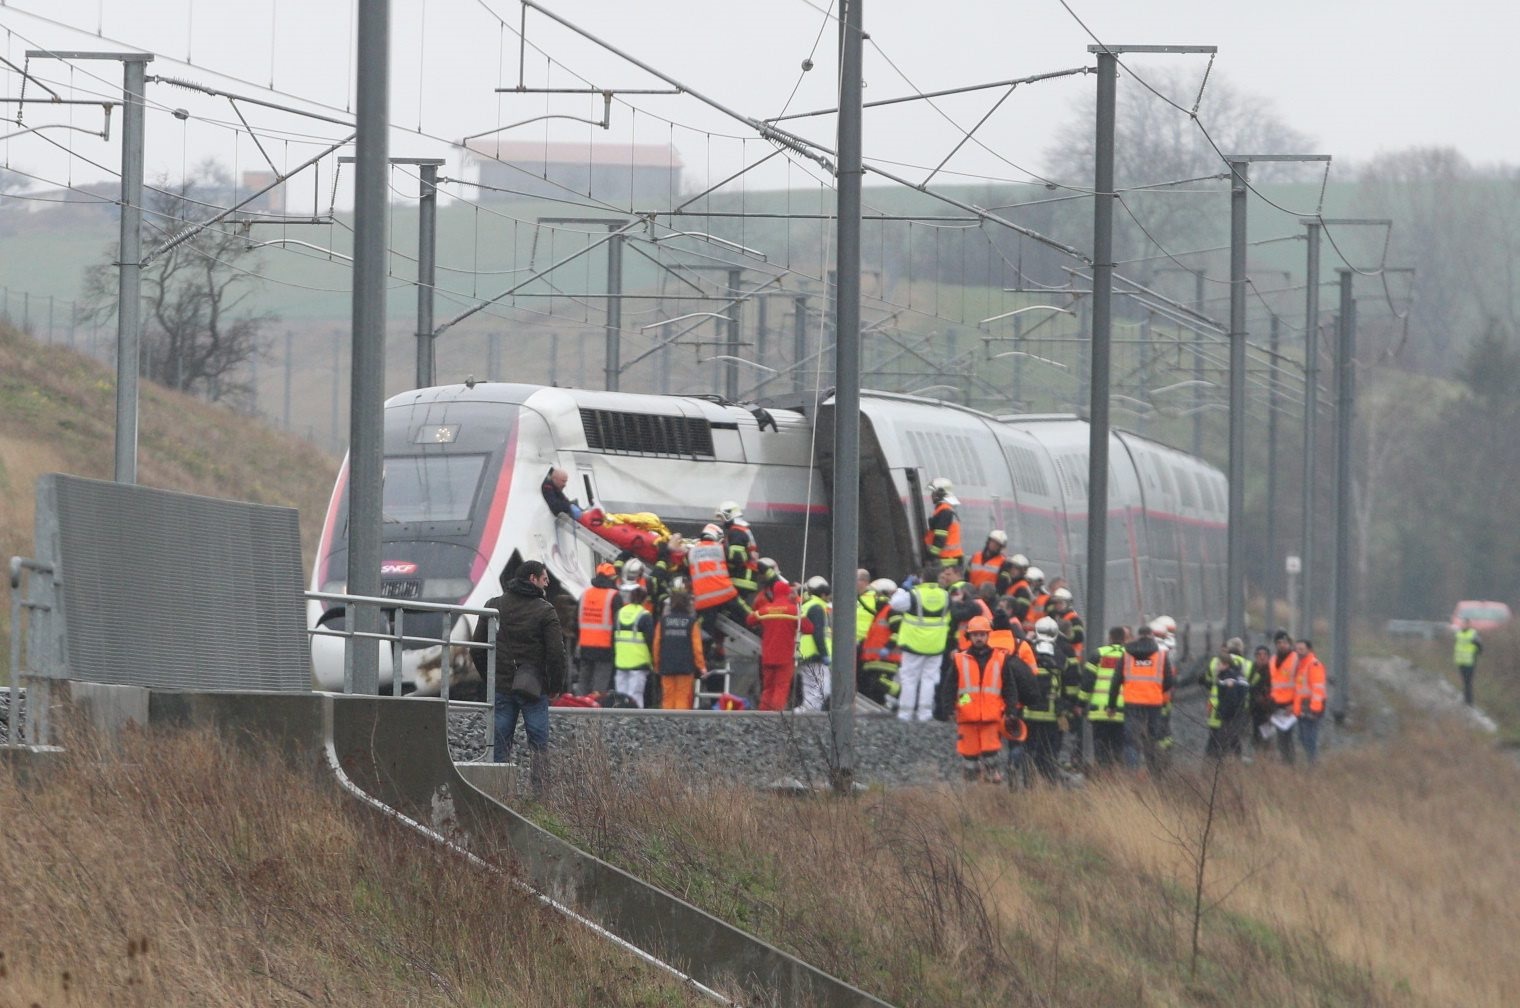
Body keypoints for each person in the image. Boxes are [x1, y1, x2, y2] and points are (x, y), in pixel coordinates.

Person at [471, 560, 568, 786]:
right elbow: (556, 653)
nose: (548, 583)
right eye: (545, 578)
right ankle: (540, 794)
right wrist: (555, 685)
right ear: (532, 579)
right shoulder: (545, 611)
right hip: (534, 688)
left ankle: (498, 791)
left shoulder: (493, 606)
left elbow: (476, 648)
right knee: (538, 743)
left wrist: (491, 677)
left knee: (500, 742)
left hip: (502, 687)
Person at [953, 615, 1040, 783]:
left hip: (987, 707)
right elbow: (1032, 674)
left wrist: (960, 704)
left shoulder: (986, 647)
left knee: (987, 744)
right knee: (1015, 741)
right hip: (1013, 704)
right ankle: (1013, 766)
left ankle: (986, 776)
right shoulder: (1021, 645)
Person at [890, 564, 954, 722]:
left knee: (909, 679)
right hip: (936, 645)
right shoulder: (945, 595)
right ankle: (924, 714)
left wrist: (902, 589)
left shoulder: (913, 594)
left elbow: (895, 604)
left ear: (922, 578)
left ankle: (905, 714)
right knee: (929, 679)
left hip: (913, 644)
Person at [1111, 623, 1173, 772]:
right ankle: (1154, 772)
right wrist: (1157, 690)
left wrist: (1111, 705)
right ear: (1151, 636)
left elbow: (1115, 681)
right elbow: (1169, 681)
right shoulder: (1161, 655)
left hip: (1132, 702)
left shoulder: (1127, 655)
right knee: (1152, 738)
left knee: (1131, 739)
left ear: (1138, 636)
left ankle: (1132, 772)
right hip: (1154, 702)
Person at [1026, 616, 1080, 782]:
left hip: (1029, 713)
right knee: (1049, 751)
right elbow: (1071, 685)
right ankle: (1050, 783)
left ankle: (1028, 783)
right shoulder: (1062, 656)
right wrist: (1069, 707)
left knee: (1028, 750)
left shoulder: (1027, 651)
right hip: (1052, 715)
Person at [688, 523, 752, 664]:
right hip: (725, 593)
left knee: (705, 634)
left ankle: (704, 660)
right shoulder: (720, 548)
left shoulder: (691, 552)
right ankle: (760, 629)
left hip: (704, 601)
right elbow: (737, 559)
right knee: (747, 614)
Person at [748, 580, 810, 711]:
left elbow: (750, 620)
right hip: (785, 656)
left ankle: (763, 717)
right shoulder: (794, 610)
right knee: (781, 688)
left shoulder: (765, 609)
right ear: (787, 592)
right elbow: (809, 628)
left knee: (767, 689)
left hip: (768, 656)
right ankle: (776, 721)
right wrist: (798, 602)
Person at [1080, 626, 1129, 769]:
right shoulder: (1129, 656)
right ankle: (1116, 778)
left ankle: (1102, 776)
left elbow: (1087, 683)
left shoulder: (1098, 655)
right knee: (1118, 749)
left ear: (1110, 638)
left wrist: (1080, 704)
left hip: (1099, 711)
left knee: (1101, 748)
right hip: (1122, 711)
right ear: (1125, 639)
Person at [655, 581, 706, 710]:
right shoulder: (691, 622)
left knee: (667, 697)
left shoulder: (663, 622)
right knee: (683, 697)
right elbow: (697, 648)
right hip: (685, 666)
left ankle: (666, 726)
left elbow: (657, 644)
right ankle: (680, 727)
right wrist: (701, 666)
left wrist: (657, 664)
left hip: (666, 665)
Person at [1200, 637, 1251, 760]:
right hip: (1237, 712)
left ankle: (1213, 768)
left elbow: (1204, 680)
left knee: (1217, 743)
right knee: (1232, 741)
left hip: (1219, 711)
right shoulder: (1246, 664)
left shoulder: (1220, 668)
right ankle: (1233, 766)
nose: (1217, 665)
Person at [574, 562, 620, 695]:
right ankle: (597, 713)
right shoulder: (614, 596)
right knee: (600, 687)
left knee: (583, 682)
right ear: (612, 578)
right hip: (605, 647)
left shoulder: (585, 595)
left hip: (584, 646)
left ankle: (578, 712)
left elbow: (575, 622)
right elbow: (618, 624)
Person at [859, 579, 902, 709]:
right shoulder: (880, 613)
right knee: (874, 689)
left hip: (886, 659)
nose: (876, 598)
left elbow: (898, 632)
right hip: (874, 660)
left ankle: (906, 697)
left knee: (880, 684)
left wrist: (888, 648)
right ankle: (884, 708)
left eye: (877, 595)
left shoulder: (891, 610)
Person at [613, 586, 656, 707]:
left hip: (621, 661)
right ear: (644, 599)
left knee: (620, 697)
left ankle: (619, 723)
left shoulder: (620, 613)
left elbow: (613, 637)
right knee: (635, 697)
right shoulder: (645, 615)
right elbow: (650, 640)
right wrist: (653, 660)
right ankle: (636, 724)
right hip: (639, 662)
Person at [796, 576, 832, 711]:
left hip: (803, 653)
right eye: (828, 596)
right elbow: (818, 634)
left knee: (810, 688)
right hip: (814, 653)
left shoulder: (806, 606)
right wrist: (824, 654)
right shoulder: (817, 608)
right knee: (823, 689)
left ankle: (804, 713)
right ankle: (809, 716)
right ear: (823, 595)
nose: (829, 599)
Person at [1293, 639, 1328, 765]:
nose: (1299, 652)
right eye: (1297, 649)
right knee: (1303, 738)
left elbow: (1318, 688)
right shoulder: (1301, 665)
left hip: (1311, 708)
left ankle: (1313, 763)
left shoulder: (1313, 665)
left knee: (1309, 738)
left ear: (1309, 650)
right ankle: (1311, 762)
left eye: (1302, 649)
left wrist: (1315, 709)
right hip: (1303, 708)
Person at [1267, 629, 1300, 763]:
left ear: (1289, 643)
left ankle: (1290, 763)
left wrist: (1294, 704)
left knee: (1288, 737)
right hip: (1276, 704)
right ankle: (1286, 763)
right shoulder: (1273, 660)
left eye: (1285, 642)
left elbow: (1300, 685)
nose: (1282, 645)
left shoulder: (1295, 659)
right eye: (1279, 642)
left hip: (1290, 705)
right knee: (1281, 737)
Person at [716, 501, 761, 598]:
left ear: (728, 515)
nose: (721, 521)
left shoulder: (736, 531)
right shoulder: (743, 529)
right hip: (747, 577)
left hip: (741, 578)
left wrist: (720, 554)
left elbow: (737, 557)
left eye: (722, 518)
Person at [923, 477, 964, 568]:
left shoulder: (944, 512)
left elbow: (940, 539)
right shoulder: (946, 510)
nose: (932, 495)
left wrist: (931, 557)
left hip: (946, 562)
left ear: (940, 493)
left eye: (933, 492)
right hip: (950, 560)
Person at [1249, 644, 1275, 755]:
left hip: (1268, 709)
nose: (1262, 657)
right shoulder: (1253, 669)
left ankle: (1266, 755)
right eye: (1259, 655)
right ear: (1255, 656)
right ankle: (1259, 755)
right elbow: (1250, 686)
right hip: (1255, 708)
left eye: (1264, 655)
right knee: (1256, 734)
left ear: (1269, 656)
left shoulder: (1272, 670)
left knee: (1266, 735)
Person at [1453, 617, 1483, 706]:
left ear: (1469, 624)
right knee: (1464, 681)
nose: (1463, 625)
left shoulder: (1473, 634)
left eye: (1465, 624)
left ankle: (1469, 701)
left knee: (1468, 681)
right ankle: (1466, 699)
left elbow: (1480, 646)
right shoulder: (1458, 634)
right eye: (1462, 624)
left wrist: (1476, 654)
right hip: (1461, 661)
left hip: (1470, 661)